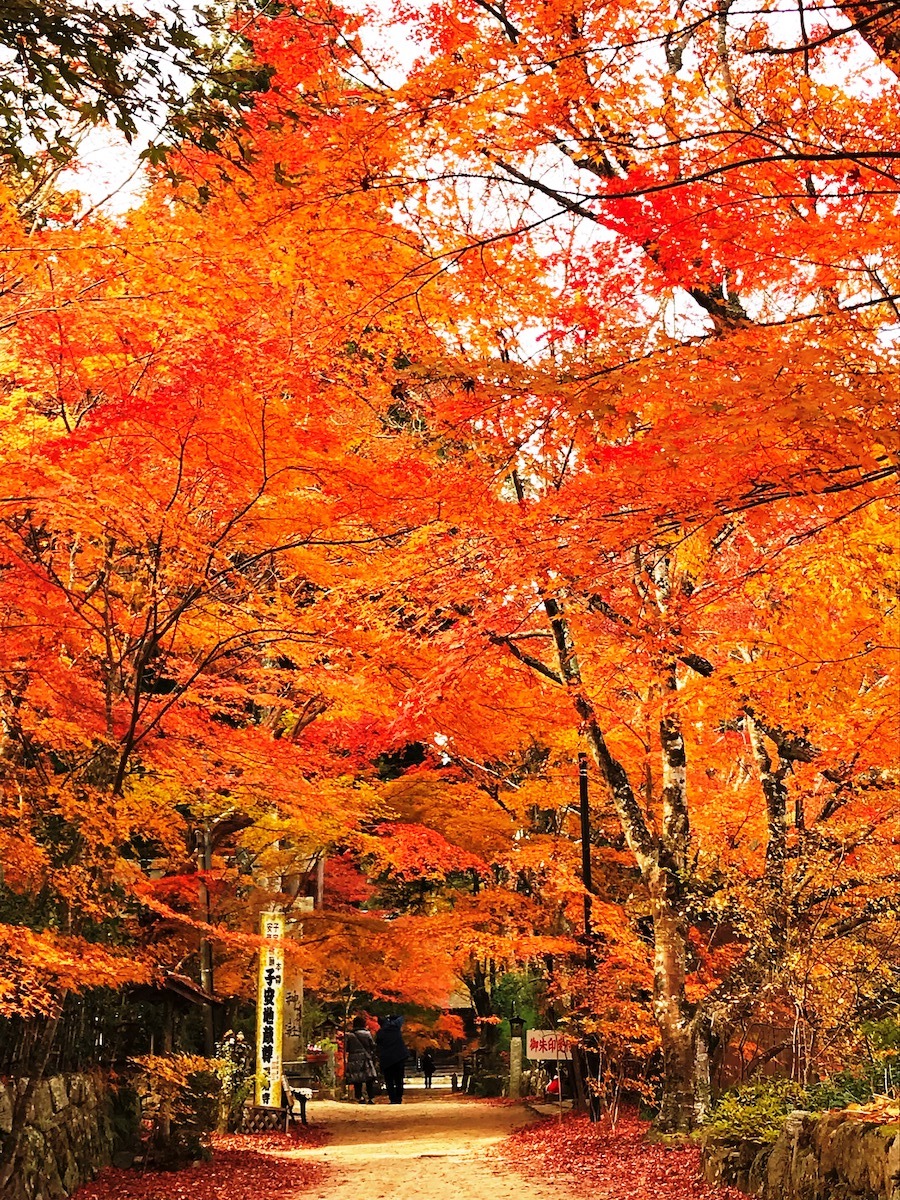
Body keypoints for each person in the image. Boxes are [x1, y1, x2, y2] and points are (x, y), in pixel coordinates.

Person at [345, 1016, 378, 1104]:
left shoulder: (350, 1035)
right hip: (365, 1057)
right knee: (369, 1078)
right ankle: (371, 1097)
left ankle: (359, 1097)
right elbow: (372, 1046)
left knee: (357, 1078)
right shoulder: (367, 1034)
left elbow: (346, 1048)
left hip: (354, 1058)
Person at [375, 1014, 408, 1104]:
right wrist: (391, 1016)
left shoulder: (380, 1033)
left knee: (389, 1080)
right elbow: (401, 1017)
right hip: (399, 1056)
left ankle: (393, 1099)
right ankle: (399, 1098)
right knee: (399, 1079)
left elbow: (377, 1046)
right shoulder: (395, 1028)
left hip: (387, 1059)